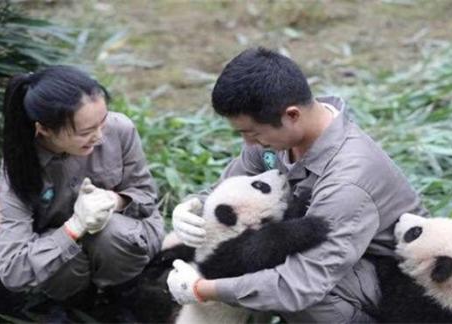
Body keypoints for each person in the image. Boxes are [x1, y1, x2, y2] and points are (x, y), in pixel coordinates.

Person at [167, 48, 429, 323]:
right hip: (339, 255)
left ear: (291, 115)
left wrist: (202, 289)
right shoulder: (273, 139)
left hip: (396, 286)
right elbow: (229, 193)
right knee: (249, 252)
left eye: (252, 132)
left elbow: (302, 284)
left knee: (286, 282)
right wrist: (195, 206)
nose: (248, 143)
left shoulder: (348, 180)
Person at [0, 65, 164, 320]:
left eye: (102, 122)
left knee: (108, 230)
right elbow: (13, 270)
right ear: (44, 129)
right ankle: (77, 303)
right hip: (66, 261)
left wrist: (115, 201)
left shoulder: (120, 130)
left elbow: (146, 198)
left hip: (125, 240)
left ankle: (125, 291)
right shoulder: (18, 167)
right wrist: (74, 227)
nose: (99, 136)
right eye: (85, 132)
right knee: (64, 250)